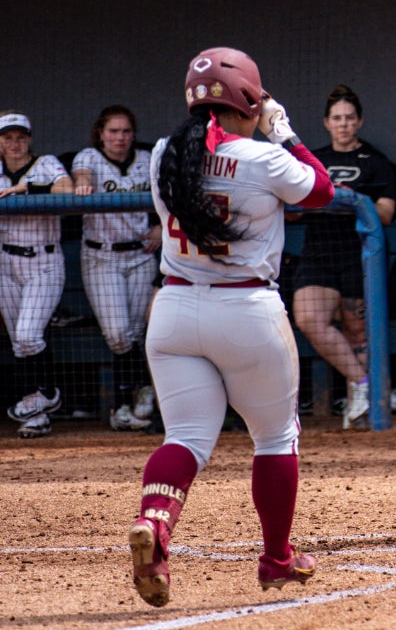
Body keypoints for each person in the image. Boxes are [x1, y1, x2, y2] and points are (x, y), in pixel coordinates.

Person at [127, 47, 333, 607]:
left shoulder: (165, 152)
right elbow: (322, 190)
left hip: (173, 311)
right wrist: (282, 130)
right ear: (247, 97)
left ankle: (156, 523)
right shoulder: (263, 158)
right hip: (246, 314)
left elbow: (208, 155)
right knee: (275, 436)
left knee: (186, 438)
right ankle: (276, 560)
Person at [292, 84, 396, 429]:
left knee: (358, 332)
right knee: (307, 318)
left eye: (350, 118)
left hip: (360, 255)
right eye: (337, 118)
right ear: (326, 123)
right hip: (318, 252)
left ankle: (363, 407)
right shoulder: (312, 161)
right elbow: (291, 210)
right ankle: (368, 387)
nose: (344, 124)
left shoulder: (377, 164)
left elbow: (386, 213)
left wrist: (346, 199)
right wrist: (327, 200)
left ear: (359, 121)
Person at [71, 105, 161, 431]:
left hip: (140, 254)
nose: (119, 138)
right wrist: (82, 185)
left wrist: (161, 228)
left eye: (125, 131)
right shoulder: (89, 158)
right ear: (101, 133)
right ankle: (141, 390)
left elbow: (168, 197)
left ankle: (123, 405)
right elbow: (81, 175)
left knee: (135, 332)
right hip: (101, 256)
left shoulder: (147, 159)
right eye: (113, 131)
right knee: (118, 334)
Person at [0, 111, 74, 438]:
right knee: (19, 341)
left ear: (29, 139)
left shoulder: (45, 163)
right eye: (7, 138)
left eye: (20, 137)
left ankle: (48, 393)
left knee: (29, 335)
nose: (15, 143)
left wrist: (25, 188)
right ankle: (37, 414)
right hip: (6, 261)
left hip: (44, 258)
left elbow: (66, 190)